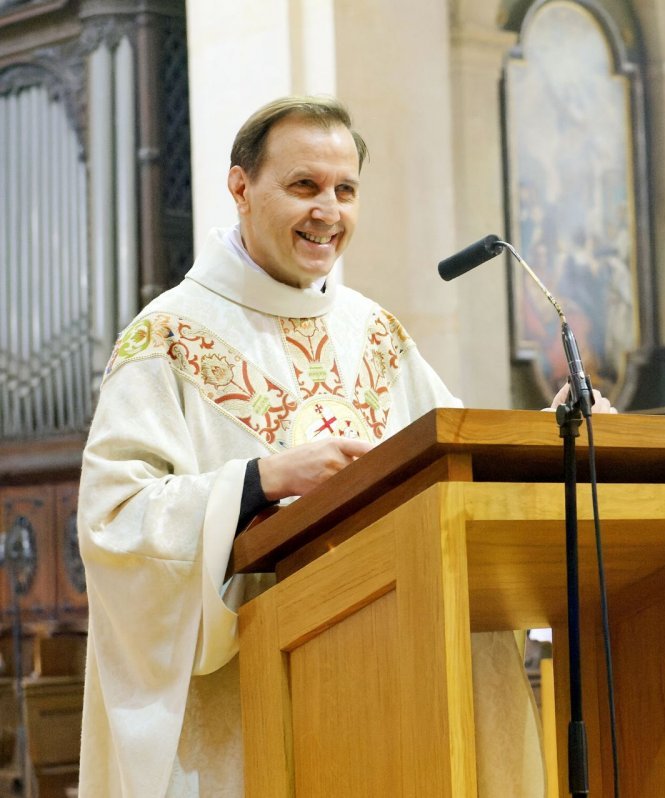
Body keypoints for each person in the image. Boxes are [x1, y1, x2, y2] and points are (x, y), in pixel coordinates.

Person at [78, 96, 602, 797]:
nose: (328, 210)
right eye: (304, 186)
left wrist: (550, 435)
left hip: (395, 685)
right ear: (241, 189)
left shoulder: (375, 332)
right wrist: (259, 480)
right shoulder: (166, 336)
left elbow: (455, 469)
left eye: (344, 190)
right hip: (251, 702)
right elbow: (115, 520)